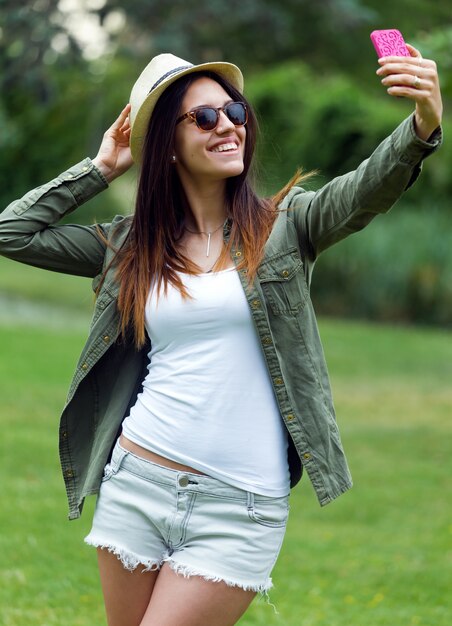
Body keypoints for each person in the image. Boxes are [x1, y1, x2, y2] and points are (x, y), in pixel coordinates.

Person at [0, 43, 442, 626]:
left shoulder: (289, 225)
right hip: (138, 479)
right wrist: (103, 168)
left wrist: (423, 124)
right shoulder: (130, 246)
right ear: (168, 147)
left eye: (234, 112)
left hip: (241, 505)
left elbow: (364, 191)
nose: (227, 125)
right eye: (204, 117)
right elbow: (13, 232)